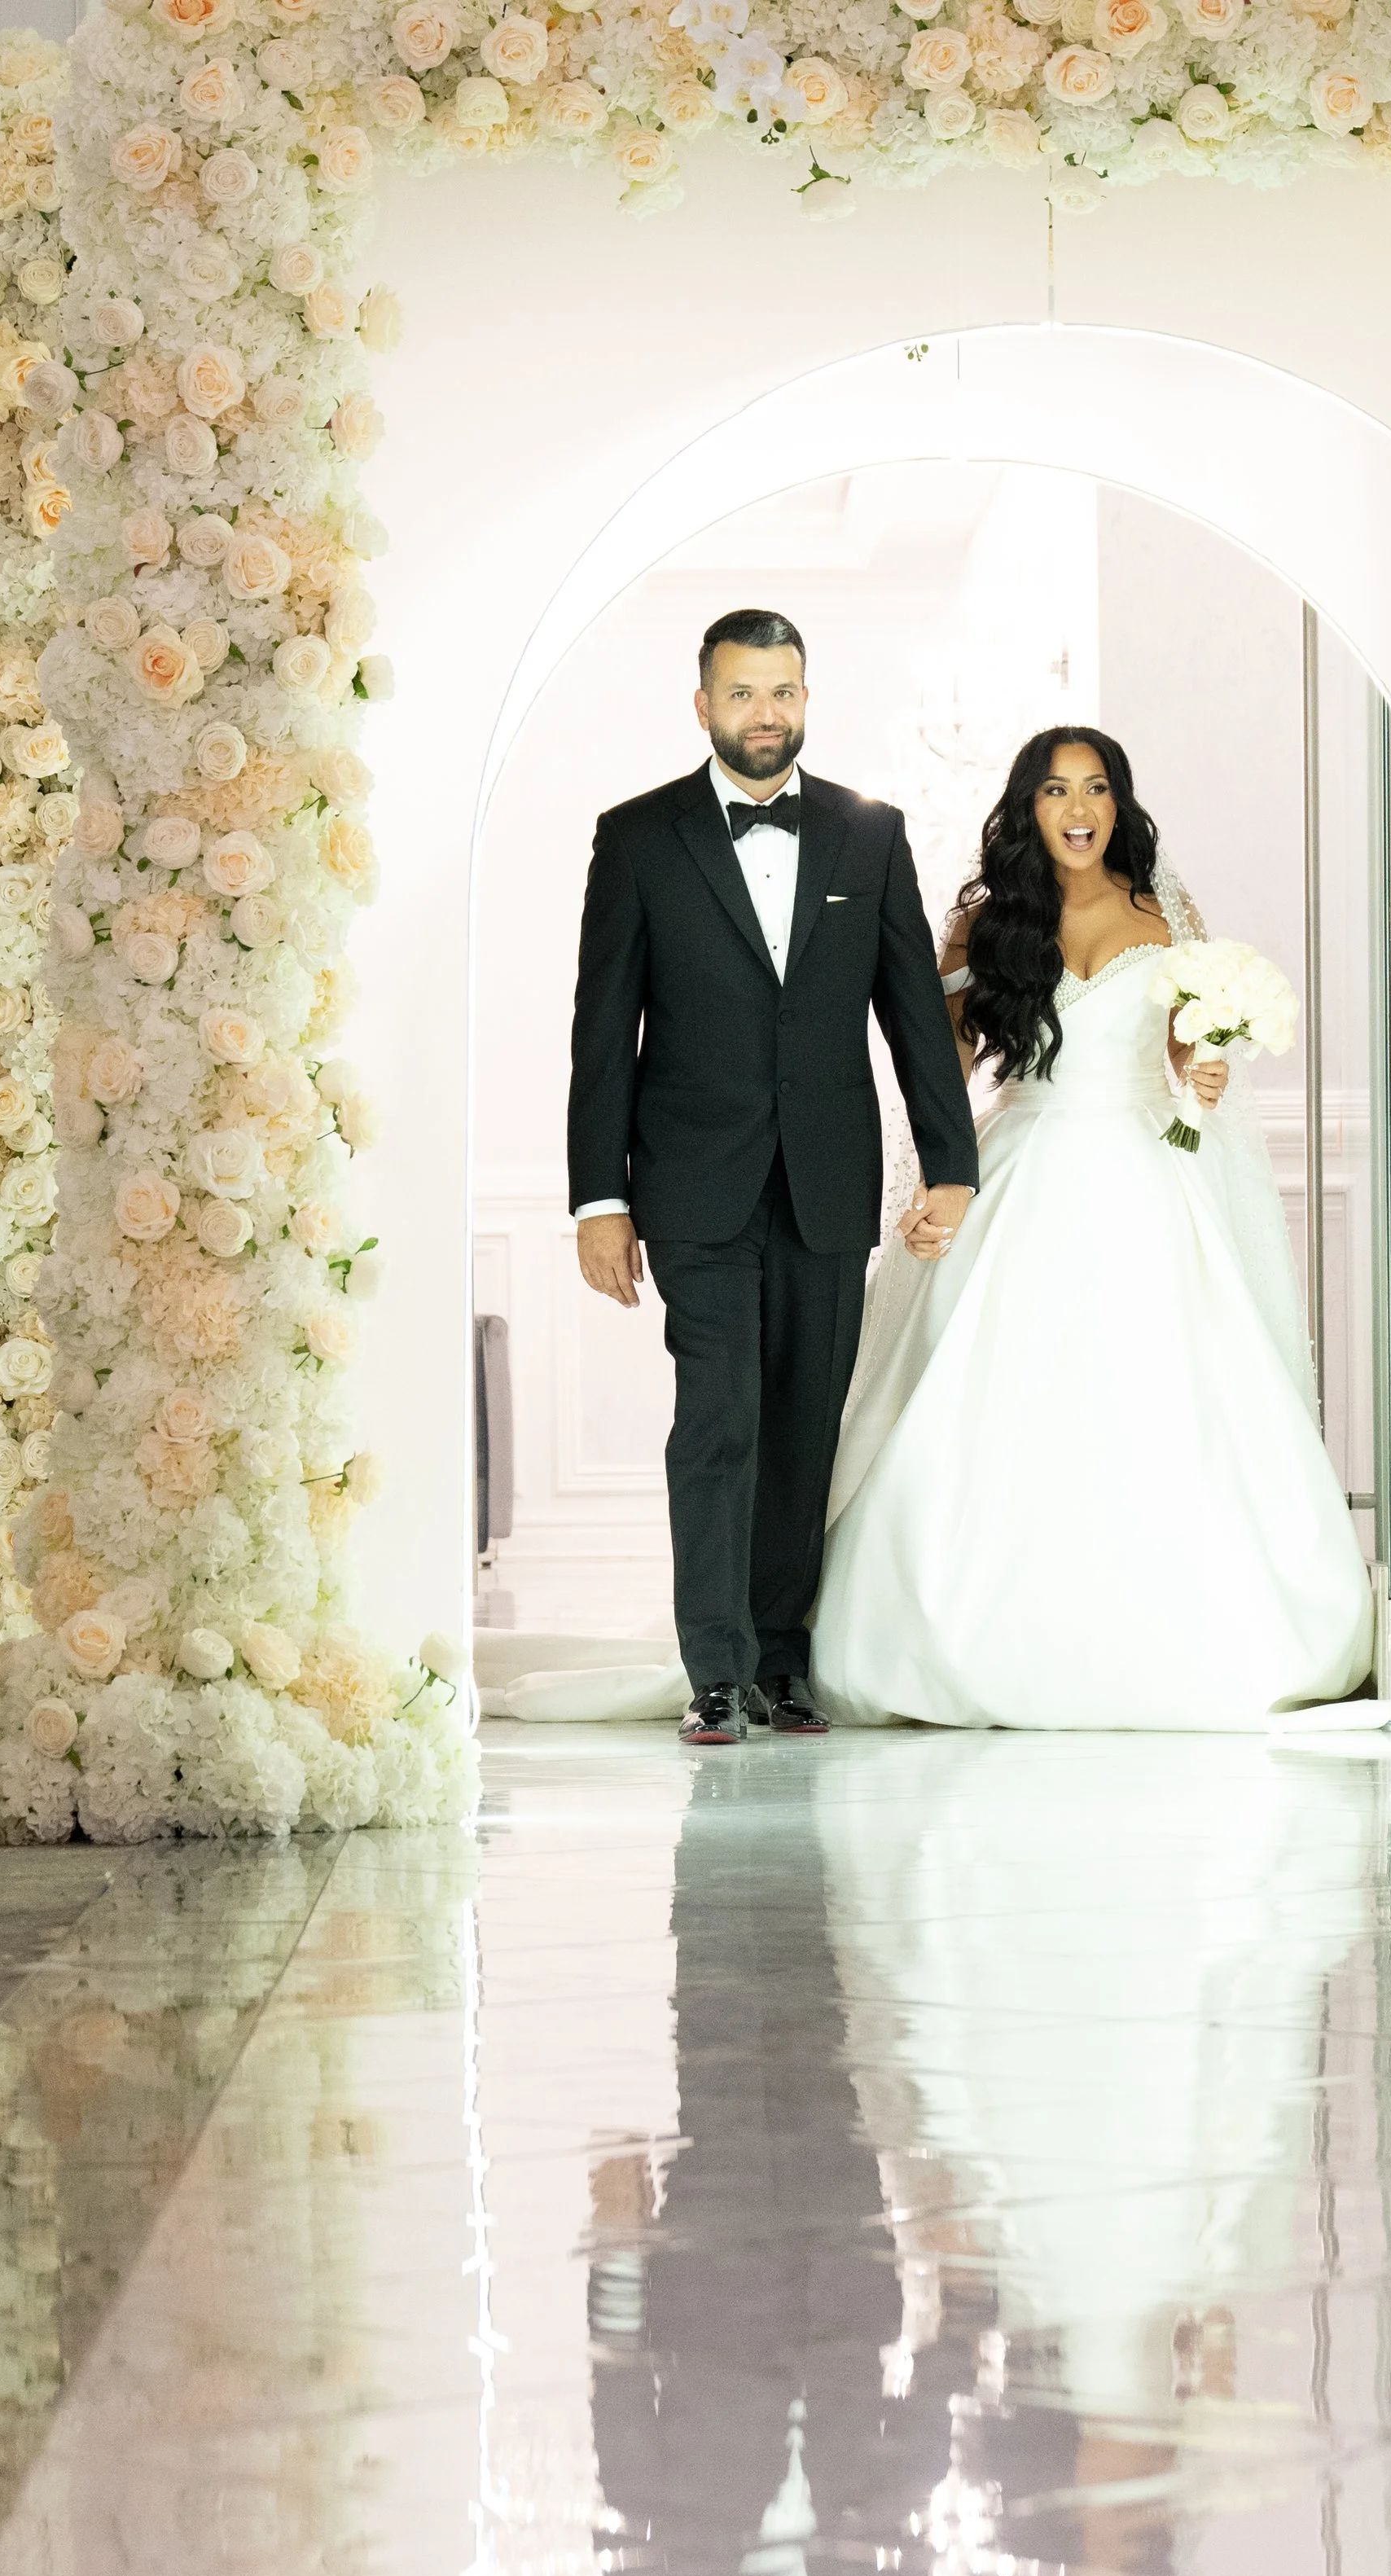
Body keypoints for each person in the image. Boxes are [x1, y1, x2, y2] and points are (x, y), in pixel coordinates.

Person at [811, 729, 1375, 1729]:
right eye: (1057, 790)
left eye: (1098, 788)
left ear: (1119, 804)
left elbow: (1184, 1053)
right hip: (1021, 1168)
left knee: (1162, 1393)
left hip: (1142, 1169)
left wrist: (1204, 1070)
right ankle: (954, 1634)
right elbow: (935, 1068)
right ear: (1028, 807)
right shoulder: (983, 926)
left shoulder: (1163, 913)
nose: (1079, 807)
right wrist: (934, 1184)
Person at [566, 608, 981, 1746]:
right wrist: (601, 1199)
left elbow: (910, 1012)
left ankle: (783, 1661)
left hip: (828, 1181)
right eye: (744, 693)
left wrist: (953, 1163)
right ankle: (716, 1667)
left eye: (785, 691)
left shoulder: (867, 831)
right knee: (721, 1417)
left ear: (808, 697)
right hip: (693, 1185)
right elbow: (604, 1031)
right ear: (703, 705)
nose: (766, 713)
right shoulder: (640, 836)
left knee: (804, 1421)